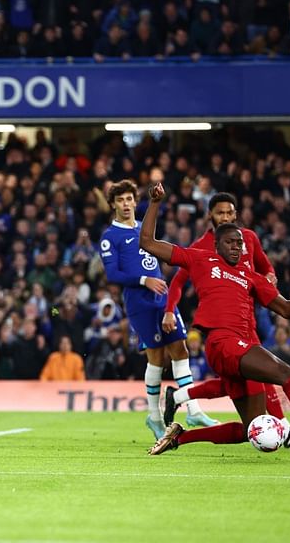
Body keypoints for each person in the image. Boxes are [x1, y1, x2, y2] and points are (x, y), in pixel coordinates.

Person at [141, 183, 290, 456]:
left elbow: (287, 309)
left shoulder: (250, 277)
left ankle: (179, 438)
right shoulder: (200, 258)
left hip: (239, 345)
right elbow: (147, 242)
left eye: (240, 244)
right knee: (286, 374)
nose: (237, 248)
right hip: (222, 342)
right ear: (216, 244)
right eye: (230, 242)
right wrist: (155, 203)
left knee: (249, 428)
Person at [163, 192, 290, 449]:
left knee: (240, 381)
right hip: (225, 322)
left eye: (228, 212)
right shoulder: (202, 246)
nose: (224, 216)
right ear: (209, 215)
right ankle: (285, 428)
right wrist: (170, 309)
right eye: (219, 213)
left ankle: (180, 396)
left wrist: (269, 279)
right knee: (260, 374)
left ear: (235, 214)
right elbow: (179, 280)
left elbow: (266, 267)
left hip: (249, 318)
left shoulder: (248, 239)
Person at [100, 180, 218, 439]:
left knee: (180, 347)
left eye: (130, 199)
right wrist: (144, 280)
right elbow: (112, 274)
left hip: (162, 297)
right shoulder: (110, 236)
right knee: (156, 356)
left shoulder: (144, 228)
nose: (126, 204)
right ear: (112, 205)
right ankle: (154, 416)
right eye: (120, 200)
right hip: (139, 302)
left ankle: (194, 410)